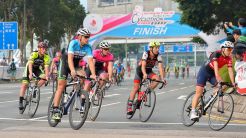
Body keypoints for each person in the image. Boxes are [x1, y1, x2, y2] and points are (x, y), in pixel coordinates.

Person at [52, 28, 96, 120]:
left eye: (89, 37)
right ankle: (55, 110)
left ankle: (75, 93)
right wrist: (72, 70)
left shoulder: (88, 47)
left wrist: (93, 74)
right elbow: (69, 59)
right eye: (86, 37)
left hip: (75, 65)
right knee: (61, 85)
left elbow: (91, 62)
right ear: (80, 37)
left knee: (84, 77)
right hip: (65, 63)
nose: (88, 39)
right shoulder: (73, 43)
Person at [190, 41, 235, 120]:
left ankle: (207, 101)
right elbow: (216, 68)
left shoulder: (229, 58)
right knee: (199, 92)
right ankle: (192, 112)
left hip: (212, 75)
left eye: (232, 50)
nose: (230, 51)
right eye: (229, 49)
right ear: (223, 49)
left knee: (223, 86)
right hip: (204, 72)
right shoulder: (216, 54)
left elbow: (230, 70)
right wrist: (218, 78)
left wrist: (233, 83)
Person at [127, 41, 166, 115]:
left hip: (149, 71)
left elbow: (160, 67)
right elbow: (143, 66)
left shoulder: (158, 55)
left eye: (158, 48)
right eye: (156, 48)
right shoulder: (146, 53)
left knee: (157, 79)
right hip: (140, 71)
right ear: (151, 48)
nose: (158, 49)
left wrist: (163, 79)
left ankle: (145, 93)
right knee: (136, 88)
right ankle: (129, 107)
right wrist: (144, 74)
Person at [18, 42, 50, 111]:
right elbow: (30, 64)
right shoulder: (34, 54)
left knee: (45, 77)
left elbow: (46, 68)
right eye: (43, 48)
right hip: (29, 68)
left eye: (45, 49)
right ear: (39, 49)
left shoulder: (46, 56)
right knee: (25, 84)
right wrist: (30, 73)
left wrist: (47, 77)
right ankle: (20, 101)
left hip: (37, 69)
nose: (44, 50)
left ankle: (35, 88)